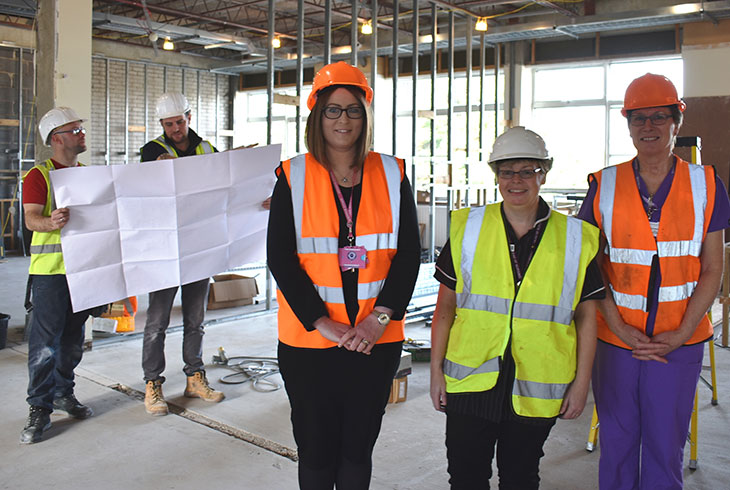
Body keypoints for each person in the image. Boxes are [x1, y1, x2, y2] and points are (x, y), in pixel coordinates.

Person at [267, 61, 421, 489]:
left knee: (358, 446)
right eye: (333, 110)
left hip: (376, 341)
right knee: (316, 449)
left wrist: (379, 319)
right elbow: (280, 259)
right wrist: (324, 323)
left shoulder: (393, 173)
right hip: (310, 344)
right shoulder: (292, 175)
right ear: (317, 115)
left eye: (353, 109)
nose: (343, 120)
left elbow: (409, 254)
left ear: (366, 115)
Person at [577, 73, 730, 489]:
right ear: (627, 125)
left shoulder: (707, 186)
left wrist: (680, 333)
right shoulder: (603, 186)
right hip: (615, 341)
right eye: (638, 118)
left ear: (676, 121)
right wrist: (622, 328)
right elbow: (588, 268)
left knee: (666, 447)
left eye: (659, 117)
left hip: (677, 342)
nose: (648, 127)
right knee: (618, 441)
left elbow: (713, 269)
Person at [430, 126, 605, 489]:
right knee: (465, 477)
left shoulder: (576, 238)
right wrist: (435, 371)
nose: (517, 181)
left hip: (537, 381)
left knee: (521, 478)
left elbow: (588, 317)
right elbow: (445, 307)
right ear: (496, 175)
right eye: (507, 171)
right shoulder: (468, 228)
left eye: (528, 171)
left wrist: (582, 382)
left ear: (544, 173)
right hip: (470, 378)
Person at [139, 92, 223, 416]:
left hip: (197, 244)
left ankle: (194, 376)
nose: (176, 128)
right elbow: (147, 191)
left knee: (196, 319)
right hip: (164, 247)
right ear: (162, 125)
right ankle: (153, 384)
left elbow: (221, 185)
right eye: (169, 124)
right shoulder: (152, 151)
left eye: (180, 121)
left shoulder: (206, 148)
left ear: (189, 117)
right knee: (157, 321)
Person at [20, 107, 95, 444]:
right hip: (51, 275)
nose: (81, 134)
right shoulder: (39, 176)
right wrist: (50, 222)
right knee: (45, 345)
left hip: (84, 272)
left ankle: (65, 393)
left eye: (80, 128)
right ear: (56, 139)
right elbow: (31, 219)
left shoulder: (89, 174)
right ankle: (40, 407)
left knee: (72, 341)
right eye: (74, 129)